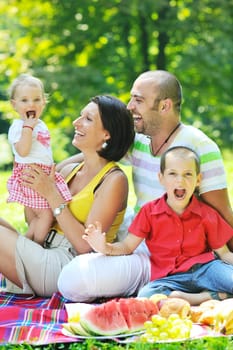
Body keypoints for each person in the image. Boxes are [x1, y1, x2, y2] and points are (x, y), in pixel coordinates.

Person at [57, 70, 233, 303]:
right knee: (73, 278)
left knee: (77, 280)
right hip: (143, 250)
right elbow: (99, 152)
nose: (129, 107)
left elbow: (222, 212)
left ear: (164, 106)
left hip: (189, 257)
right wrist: (58, 168)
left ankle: (193, 290)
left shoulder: (198, 146)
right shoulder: (138, 142)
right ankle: (173, 288)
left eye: (138, 100)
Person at [0, 94, 135, 297]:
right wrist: (34, 184)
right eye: (80, 116)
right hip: (42, 246)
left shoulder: (113, 180)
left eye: (88, 119)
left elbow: (85, 247)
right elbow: (32, 220)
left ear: (107, 134)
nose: (76, 122)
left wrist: (51, 194)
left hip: (66, 264)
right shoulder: (70, 170)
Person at [81, 146, 233, 306]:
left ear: (198, 180)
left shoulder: (206, 214)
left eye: (188, 174)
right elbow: (127, 246)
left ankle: (200, 298)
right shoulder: (149, 212)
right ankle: (215, 296)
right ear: (161, 178)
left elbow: (224, 253)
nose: (180, 180)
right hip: (170, 278)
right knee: (145, 297)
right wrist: (105, 247)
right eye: (172, 174)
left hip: (206, 270)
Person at [7, 74, 72, 245]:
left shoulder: (40, 124)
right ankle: (37, 246)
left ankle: (25, 246)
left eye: (37, 99)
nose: (31, 104)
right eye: (24, 100)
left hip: (40, 173)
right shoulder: (19, 126)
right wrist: (28, 127)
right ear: (14, 105)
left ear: (44, 102)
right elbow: (22, 150)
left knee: (37, 218)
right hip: (31, 174)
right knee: (46, 215)